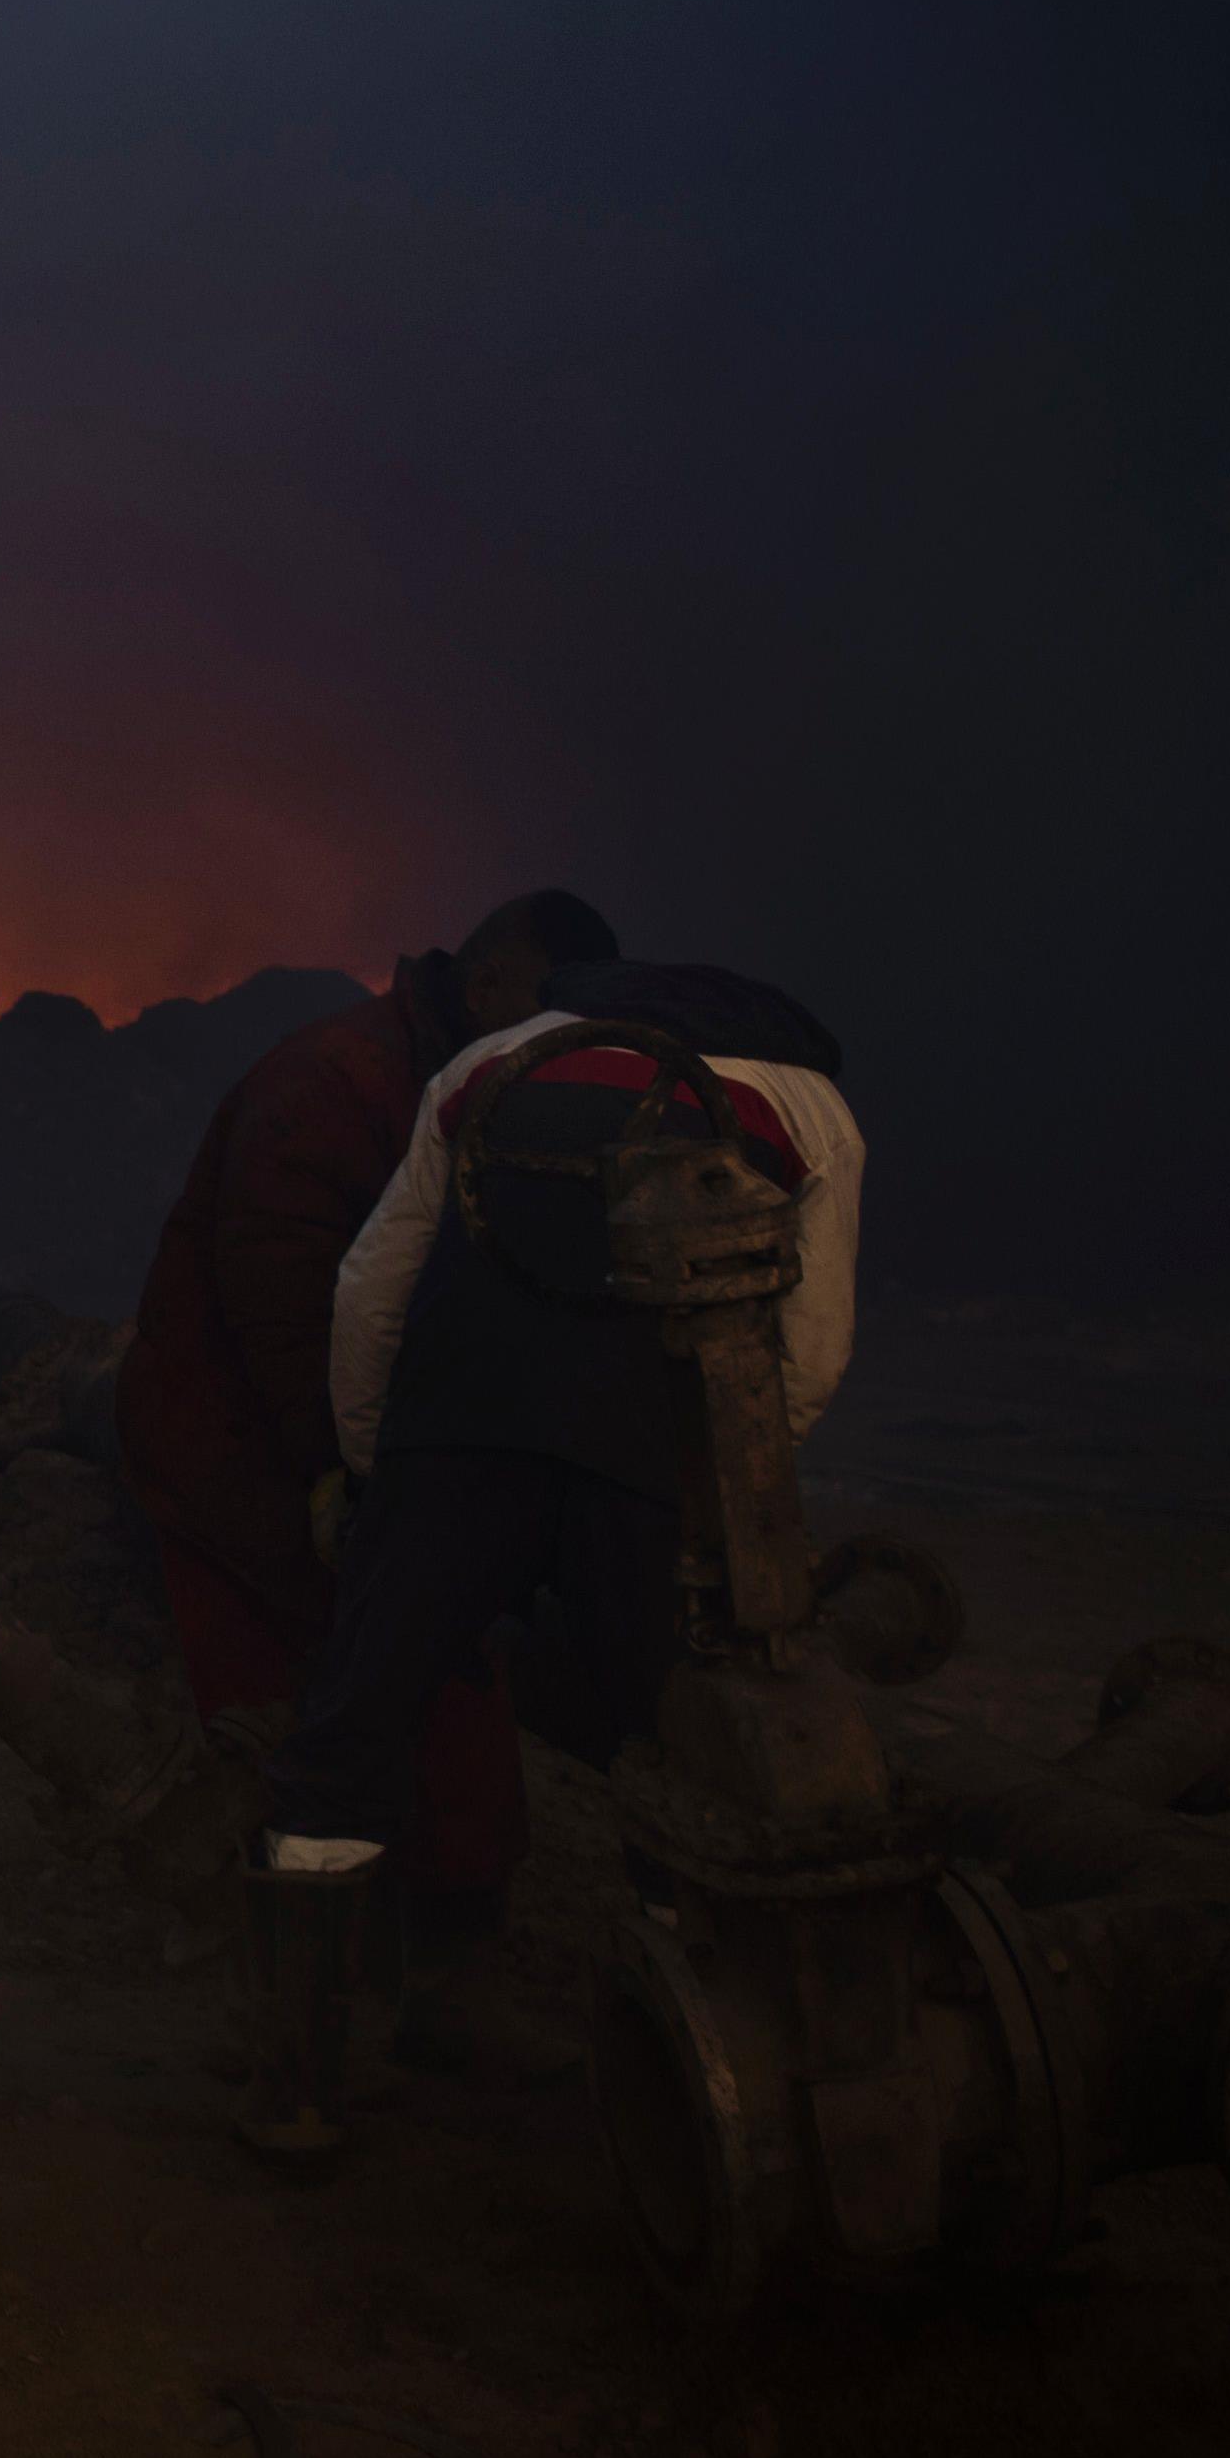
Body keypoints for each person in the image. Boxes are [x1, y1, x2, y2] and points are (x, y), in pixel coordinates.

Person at [235, 958, 864, 2156]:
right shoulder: (811, 1110)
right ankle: (698, 2094)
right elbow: (811, 1351)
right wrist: (716, 1497)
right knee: (681, 1757)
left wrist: (378, 1468)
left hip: (453, 1437)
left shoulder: (493, 1065)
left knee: (349, 1735)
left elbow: (370, 1289)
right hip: (644, 1469)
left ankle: (295, 2089)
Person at [119, 891, 619, 2085]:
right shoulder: (334, 1084)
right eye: (551, 1011)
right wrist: (341, 1477)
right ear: (494, 981)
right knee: (281, 1743)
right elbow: (283, 1302)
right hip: (235, 1465)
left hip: (360, 1457)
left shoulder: (458, 1079)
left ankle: (432, 1987)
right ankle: (301, 2032)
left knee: (441, 1713)